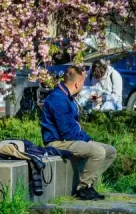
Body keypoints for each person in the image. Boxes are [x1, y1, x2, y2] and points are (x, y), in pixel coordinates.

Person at [40, 65, 117, 201]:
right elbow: (67, 132)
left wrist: (88, 139)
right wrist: (86, 142)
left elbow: (75, 126)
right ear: (77, 83)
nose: (83, 85)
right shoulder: (58, 99)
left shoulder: (67, 97)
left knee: (110, 151)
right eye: (83, 82)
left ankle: (89, 183)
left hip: (69, 140)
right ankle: (82, 188)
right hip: (57, 142)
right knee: (98, 151)